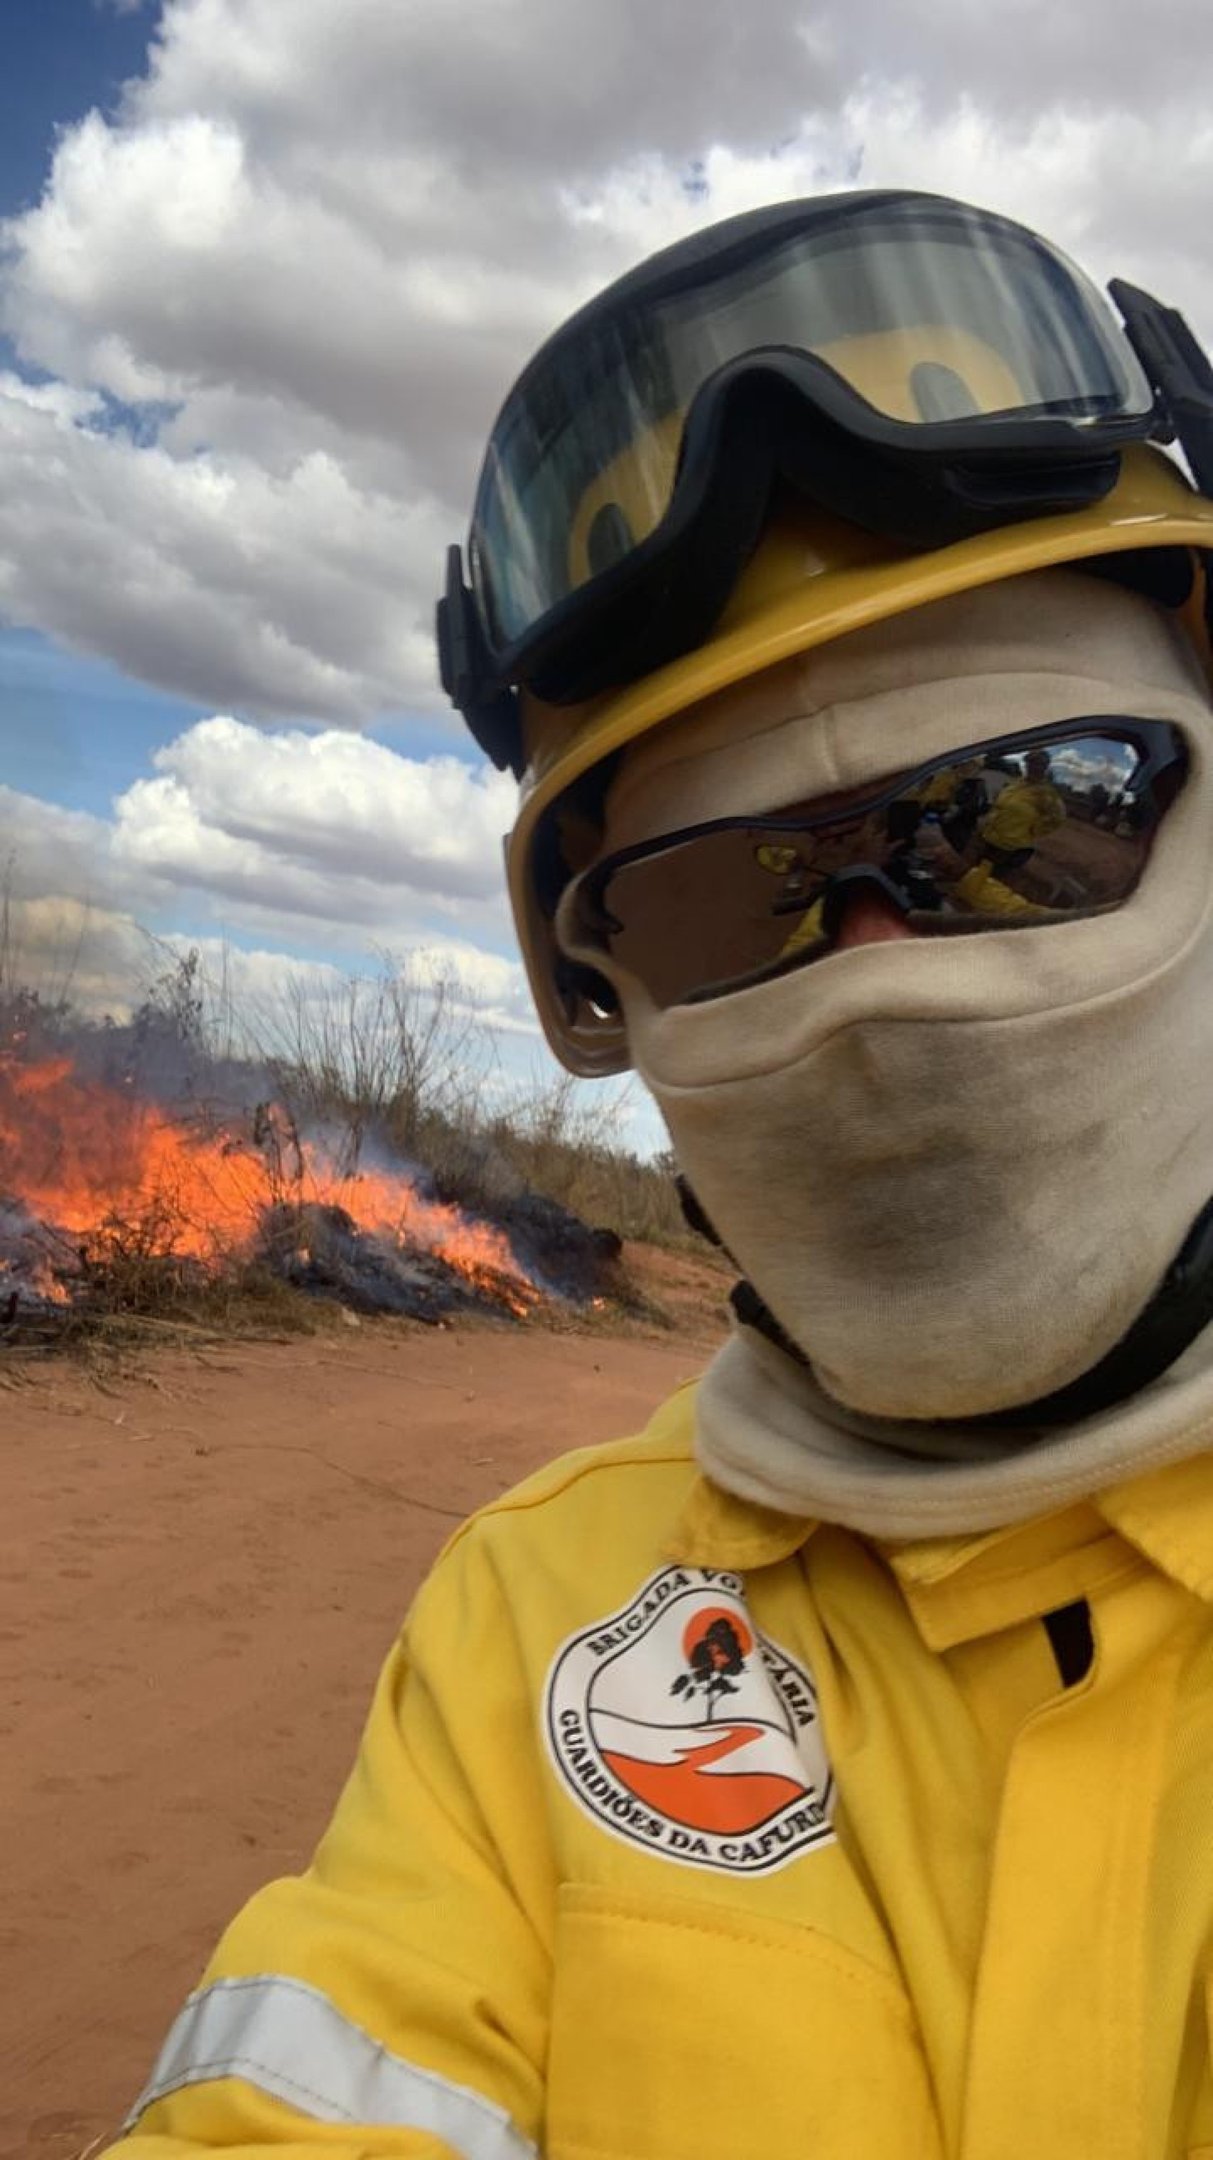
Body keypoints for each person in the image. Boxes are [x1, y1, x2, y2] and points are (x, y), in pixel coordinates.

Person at [102, 192, 1213, 2156]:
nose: (877, 978)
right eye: (721, 896)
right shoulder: (543, 1617)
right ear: (599, 994)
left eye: (1020, 817)